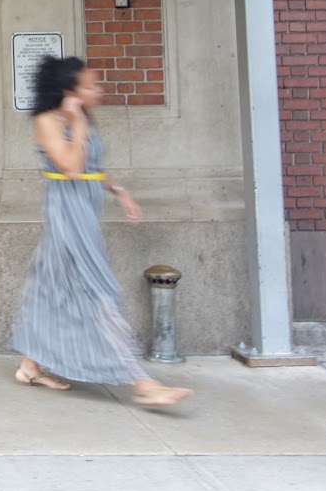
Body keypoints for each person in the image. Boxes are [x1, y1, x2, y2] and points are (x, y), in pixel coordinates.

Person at [10, 57, 192, 408]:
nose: (100, 91)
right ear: (70, 92)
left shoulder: (82, 118)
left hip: (84, 214)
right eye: (91, 86)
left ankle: (29, 366)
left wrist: (119, 190)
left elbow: (92, 167)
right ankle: (141, 382)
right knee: (98, 291)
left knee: (51, 287)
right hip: (67, 216)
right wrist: (77, 122)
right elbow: (72, 168)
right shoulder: (48, 121)